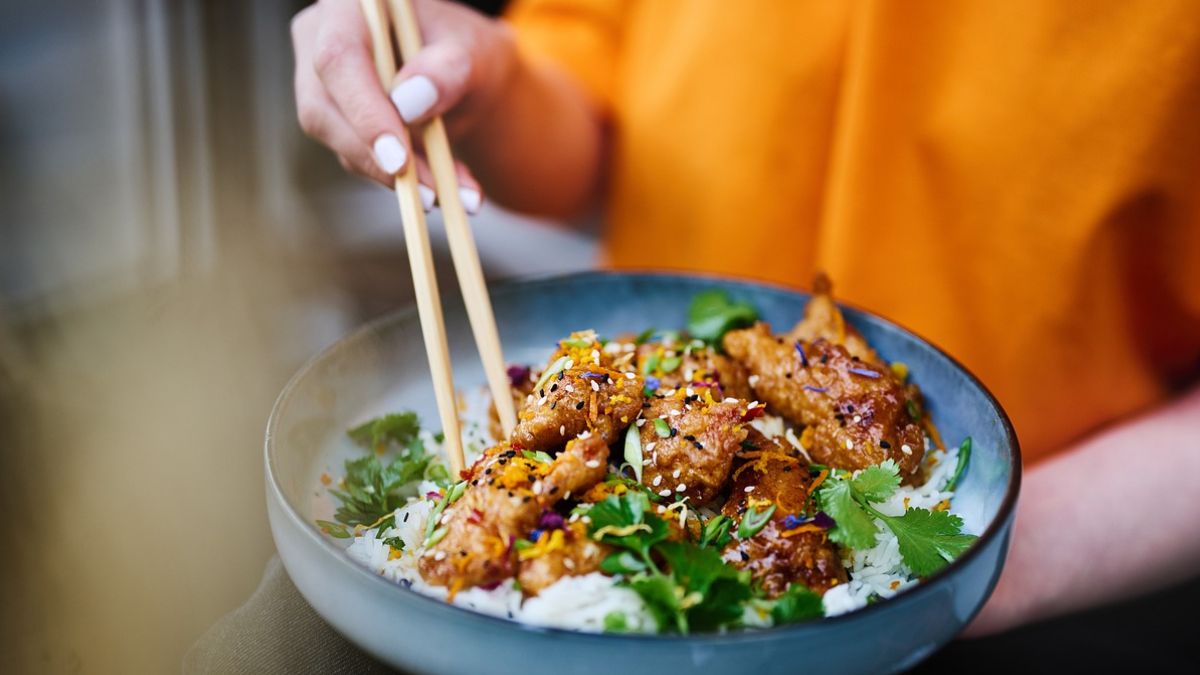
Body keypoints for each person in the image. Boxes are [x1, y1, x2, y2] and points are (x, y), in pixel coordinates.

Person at [288, 0, 1200, 637]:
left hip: (1074, 561)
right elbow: (586, 118)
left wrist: (988, 558)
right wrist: (481, 81)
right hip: (648, 388)